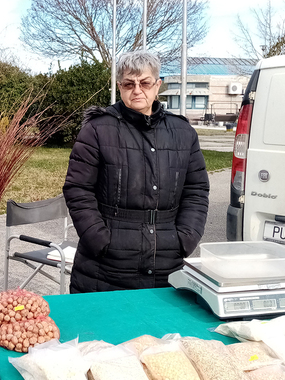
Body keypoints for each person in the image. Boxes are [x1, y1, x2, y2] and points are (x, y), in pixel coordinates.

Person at [63, 50, 209, 293]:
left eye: (145, 82)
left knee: (161, 331)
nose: (137, 90)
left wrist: (186, 238)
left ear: (157, 85)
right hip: (105, 269)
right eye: (129, 84)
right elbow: (78, 190)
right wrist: (100, 241)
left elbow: (196, 190)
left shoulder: (183, 132)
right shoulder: (97, 130)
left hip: (166, 264)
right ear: (120, 87)